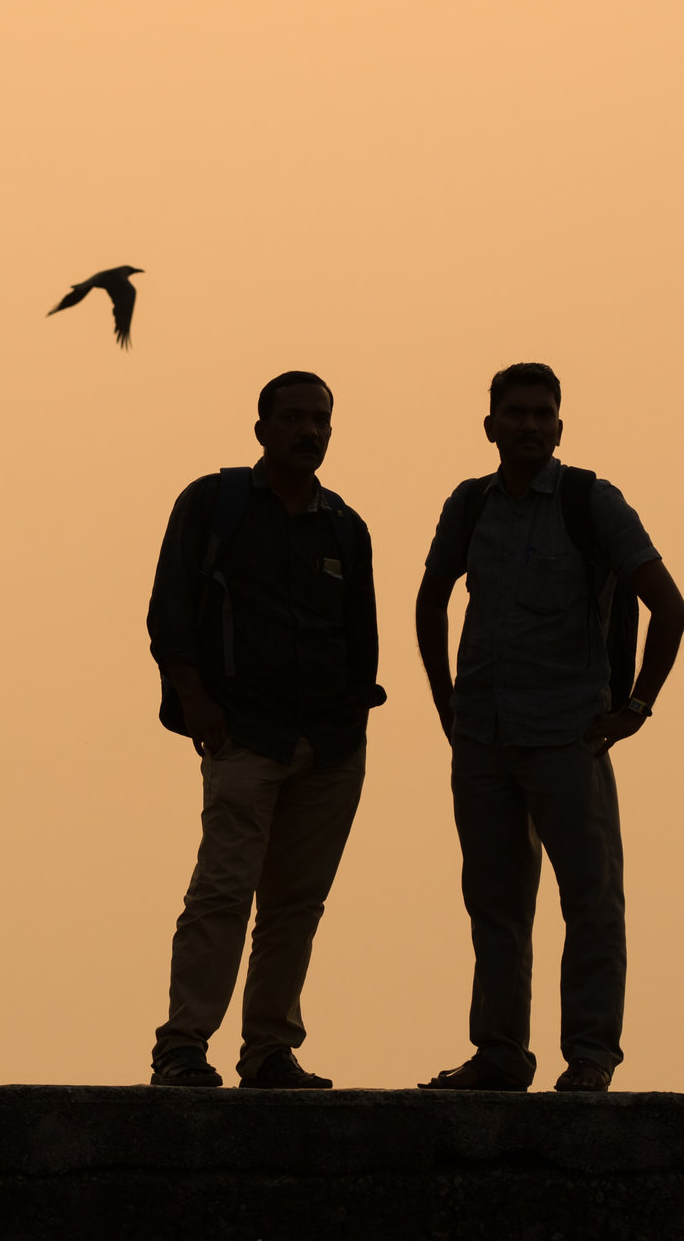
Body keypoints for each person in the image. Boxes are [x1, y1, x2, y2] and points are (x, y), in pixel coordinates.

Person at [414, 362, 684, 1094]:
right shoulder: (470, 505)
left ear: (559, 426)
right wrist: (447, 706)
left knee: (590, 900)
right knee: (496, 905)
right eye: (516, 413)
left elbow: (672, 607)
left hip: (568, 735)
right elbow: (428, 601)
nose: (529, 425)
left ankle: (591, 1057)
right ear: (490, 426)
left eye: (542, 413)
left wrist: (635, 707)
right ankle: (499, 1056)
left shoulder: (590, 500)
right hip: (483, 737)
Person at [143, 371, 386, 1089]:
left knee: (294, 904)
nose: (309, 431)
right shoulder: (214, 504)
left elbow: (361, 638)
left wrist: (352, 721)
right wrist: (194, 698)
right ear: (262, 428)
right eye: (294, 418)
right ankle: (184, 1043)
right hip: (243, 735)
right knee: (222, 889)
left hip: (332, 744)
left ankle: (270, 1049)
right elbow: (169, 615)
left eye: (321, 419)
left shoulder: (345, 525)